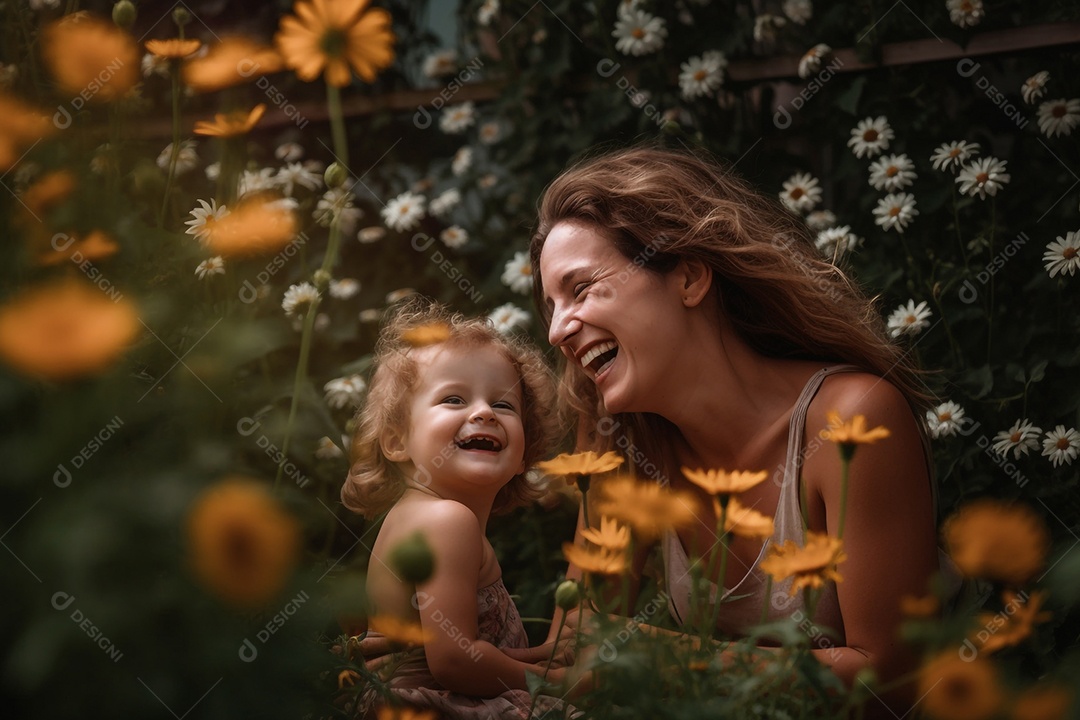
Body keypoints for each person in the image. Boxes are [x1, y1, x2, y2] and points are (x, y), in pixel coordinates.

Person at [529, 145, 946, 713]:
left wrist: (656, 657)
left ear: (690, 278)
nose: (556, 331)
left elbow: (890, 682)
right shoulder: (619, 439)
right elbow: (572, 648)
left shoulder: (853, 419)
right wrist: (445, 653)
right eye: (551, 305)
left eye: (580, 289)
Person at [339, 299, 573, 719]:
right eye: (453, 399)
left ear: (525, 453)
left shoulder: (417, 514)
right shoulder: (447, 520)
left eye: (503, 405)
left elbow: (454, 646)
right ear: (396, 441)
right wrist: (558, 682)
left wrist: (537, 654)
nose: (483, 412)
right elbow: (456, 662)